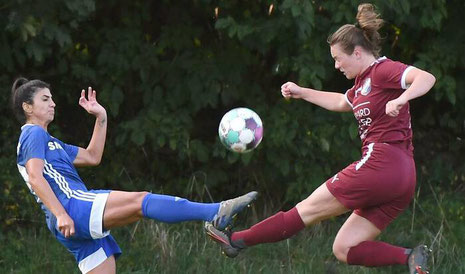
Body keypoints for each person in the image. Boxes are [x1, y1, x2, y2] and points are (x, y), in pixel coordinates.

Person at [204, 3, 435, 274]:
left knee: (306, 210)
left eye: (339, 59)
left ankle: (236, 241)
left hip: (383, 162)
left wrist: (402, 98)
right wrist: (302, 91)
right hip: (402, 176)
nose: (336, 65)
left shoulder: (383, 71)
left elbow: (426, 77)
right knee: (344, 248)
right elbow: (340, 101)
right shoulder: (362, 85)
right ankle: (411, 258)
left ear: (358, 53)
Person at [11, 77, 258, 274]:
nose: (52, 103)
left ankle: (214, 214)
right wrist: (61, 213)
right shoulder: (33, 134)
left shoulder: (51, 141)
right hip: (71, 207)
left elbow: (92, 156)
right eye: (45, 99)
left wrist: (101, 117)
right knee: (141, 201)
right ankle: (214, 212)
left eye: (52, 98)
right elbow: (35, 176)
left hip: (68, 216)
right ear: (27, 107)